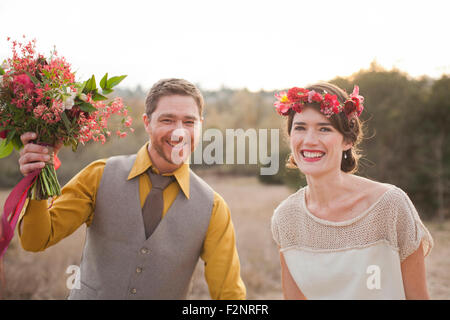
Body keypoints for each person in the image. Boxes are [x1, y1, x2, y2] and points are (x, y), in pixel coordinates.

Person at [17, 78, 246, 300]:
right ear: (147, 122)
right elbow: (35, 240)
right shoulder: (99, 175)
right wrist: (38, 176)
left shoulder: (212, 208)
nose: (179, 131)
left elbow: (229, 295)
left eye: (189, 122)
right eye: (167, 120)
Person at [271, 82, 433, 300]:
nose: (309, 140)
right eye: (300, 127)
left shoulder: (390, 206)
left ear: (347, 140)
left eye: (324, 128)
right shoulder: (286, 218)